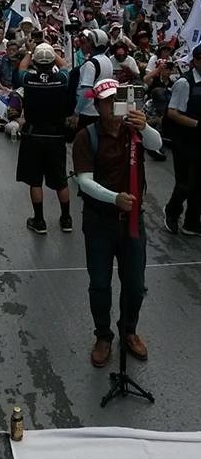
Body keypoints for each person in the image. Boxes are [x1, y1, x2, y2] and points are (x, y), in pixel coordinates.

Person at [73, 78, 163, 367]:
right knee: (99, 283)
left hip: (133, 221)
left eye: (118, 100)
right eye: (108, 102)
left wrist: (145, 126)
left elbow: (157, 145)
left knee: (135, 283)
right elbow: (84, 181)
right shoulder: (86, 137)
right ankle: (103, 335)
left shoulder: (133, 130)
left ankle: (129, 330)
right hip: (100, 220)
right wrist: (114, 198)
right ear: (97, 106)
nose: (114, 107)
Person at [16, 43, 72, 234]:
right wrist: (51, 50)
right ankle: (66, 219)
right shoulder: (61, 80)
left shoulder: (29, 81)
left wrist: (31, 51)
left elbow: (22, 67)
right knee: (61, 180)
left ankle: (39, 220)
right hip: (56, 135)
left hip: (34, 135)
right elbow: (65, 65)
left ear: (36, 62)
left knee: (35, 180)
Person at [163, 44, 201, 236]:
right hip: (185, 140)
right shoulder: (185, 83)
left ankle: (192, 222)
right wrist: (196, 124)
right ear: (195, 61)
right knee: (185, 183)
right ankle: (172, 211)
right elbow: (172, 112)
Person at [74, 29, 113, 128]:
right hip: (100, 110)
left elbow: (86, 91)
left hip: (87, 112)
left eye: (87, 41)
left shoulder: (90, 64)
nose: (84, 44)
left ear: (92, 43)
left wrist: (76, 112)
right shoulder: (107, 61)